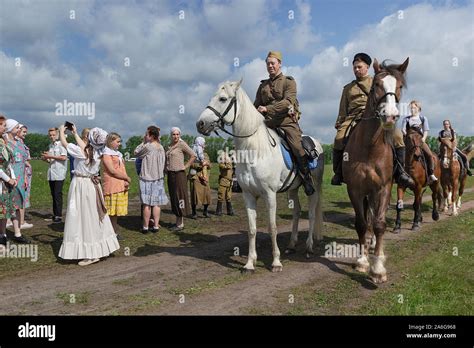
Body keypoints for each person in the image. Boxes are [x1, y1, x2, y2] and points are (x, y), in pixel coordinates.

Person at [331, 52, 414, 188]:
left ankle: (400, 172)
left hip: (376, 116)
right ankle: (339, 172)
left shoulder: (377, 81)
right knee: (339, 139)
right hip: (353, 117)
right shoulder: (348, 88)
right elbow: (343, 107)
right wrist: (340, 121)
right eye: (355, 67)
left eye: (359, 67)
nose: (356, 70)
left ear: (367, 67)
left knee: (398, 136)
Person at [254, 51, 315, 196]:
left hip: (286, 122)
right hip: (267, 123)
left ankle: (307, 178)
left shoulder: (289, 81)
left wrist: (267, 108)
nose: (270, 66)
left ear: (279, 64)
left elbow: (288, 101)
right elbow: (255, 105)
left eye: (272, 63)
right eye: (268, 63)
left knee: (296, 146)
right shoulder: (263, 86)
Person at [58, 125, 120, 266]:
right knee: (93, 216)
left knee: (83, 218)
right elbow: (83, 145)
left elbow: (64, 143)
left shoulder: (81, 151)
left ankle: (91, 253)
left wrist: (62, 131)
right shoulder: (99, 151)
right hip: (92, 186)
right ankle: (100, 248)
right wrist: (74, 132)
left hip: (81, 185)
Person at [134, 126, 168, 234]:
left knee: (147, 204)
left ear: (151, 136)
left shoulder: (148, 147)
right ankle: (156, 226)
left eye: (147, 134)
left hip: (147, 178)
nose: (145, 135)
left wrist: (143, 141)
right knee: (157, 203)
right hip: (158, 178)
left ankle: (145, 227)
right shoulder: (161, 147)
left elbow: (136, 153)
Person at [4, 119, 30, 244]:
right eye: (16, 127)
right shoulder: (5, 143)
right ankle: (2, 234)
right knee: (7, 207)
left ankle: (17, 233)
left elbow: (24, 161)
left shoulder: (19, 143)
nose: (19, 129)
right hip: (9, 178)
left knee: (18, 206)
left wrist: (25, 177)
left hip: (20, 177)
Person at [165, 127, 196, 231]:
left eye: (177, 134)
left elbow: (193, 155)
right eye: (174, 134)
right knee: (173, 196)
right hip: (170, 174)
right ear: (171, 135)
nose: (176, 136)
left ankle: (180, 223)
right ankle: (177, 221)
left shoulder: (182, 144)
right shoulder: (169, 146)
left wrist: (185, 166)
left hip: (179, 174)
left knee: (180, 197)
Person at [102, 132, 131, 240]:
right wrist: (126, 178)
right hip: (111, 186)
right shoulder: (106, 154)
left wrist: (125, 180)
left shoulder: (118, 154)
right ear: (110, 141)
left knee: (115, 213)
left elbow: (122, 169)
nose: (119, 144)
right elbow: (112, 171)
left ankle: (113, 233)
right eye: (117, 141)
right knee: (109, 213)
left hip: (119, 186)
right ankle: (107, 234)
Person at [401, 100, 438, 183]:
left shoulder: (423, 118)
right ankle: (399, 173)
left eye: (414, 108)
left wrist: (424, 138)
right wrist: (407, 136)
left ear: (418, 109)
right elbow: (403, 130)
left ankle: (431, 174)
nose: (412, 109)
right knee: (399, 153)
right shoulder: (406, 119)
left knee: (430, 155)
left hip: (420, 140)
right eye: (411, 108)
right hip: (409, 141)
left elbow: (426, 130)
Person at [41, 127, 67, 223]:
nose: (52, 137)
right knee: (53, 194)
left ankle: (59, 216)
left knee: (57, 194)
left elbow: (63, 158)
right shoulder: (50, 145)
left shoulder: (62, 145)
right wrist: (45, 159)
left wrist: (50, 156)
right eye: (50, 135)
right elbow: (52, 160)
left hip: (59, 173)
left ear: (58, 135)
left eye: (53, 135)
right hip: (52, 173)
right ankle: (55, 214)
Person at [0, 115, 18, 247]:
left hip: (7, 180)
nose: (4, 128)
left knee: (5, 209)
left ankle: (3, 234)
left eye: (5, 125)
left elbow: (9, 162)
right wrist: (7, 179)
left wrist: (13, 177)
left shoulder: (3, 141)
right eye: (2, 125)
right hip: (2, 180)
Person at [189, 137, 212, 218]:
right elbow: (191, 164)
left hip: (205, 178)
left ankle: (205, 211)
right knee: (194, 195)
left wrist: (207, 164)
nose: (204, 146)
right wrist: (200, 165)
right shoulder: (193, 154)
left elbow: (210, 165)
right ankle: (194, 212)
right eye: (203, 144)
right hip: (196, 177)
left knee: (207, 194)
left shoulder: (205, 154)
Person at [16, 124, 33, 229]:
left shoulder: (20, 143)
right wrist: (27, 164)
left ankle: (19, 220)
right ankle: (21, 222)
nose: (25, 134)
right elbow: (22, 159)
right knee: (22, 196)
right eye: (23, 132)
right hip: (22, 173)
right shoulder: (17, 144)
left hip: (25, 172)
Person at [216, 150, 234, 216]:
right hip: (223, 181)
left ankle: (230, 211)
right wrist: (227, 162)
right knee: (221, 196)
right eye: (225, 156)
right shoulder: (221, 163)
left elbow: (231, 169)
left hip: (229, 181)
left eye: (227, 156)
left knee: (228, 197)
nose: (227, 157)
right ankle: (218, 211)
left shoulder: (229, 162)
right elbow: (227, 167)